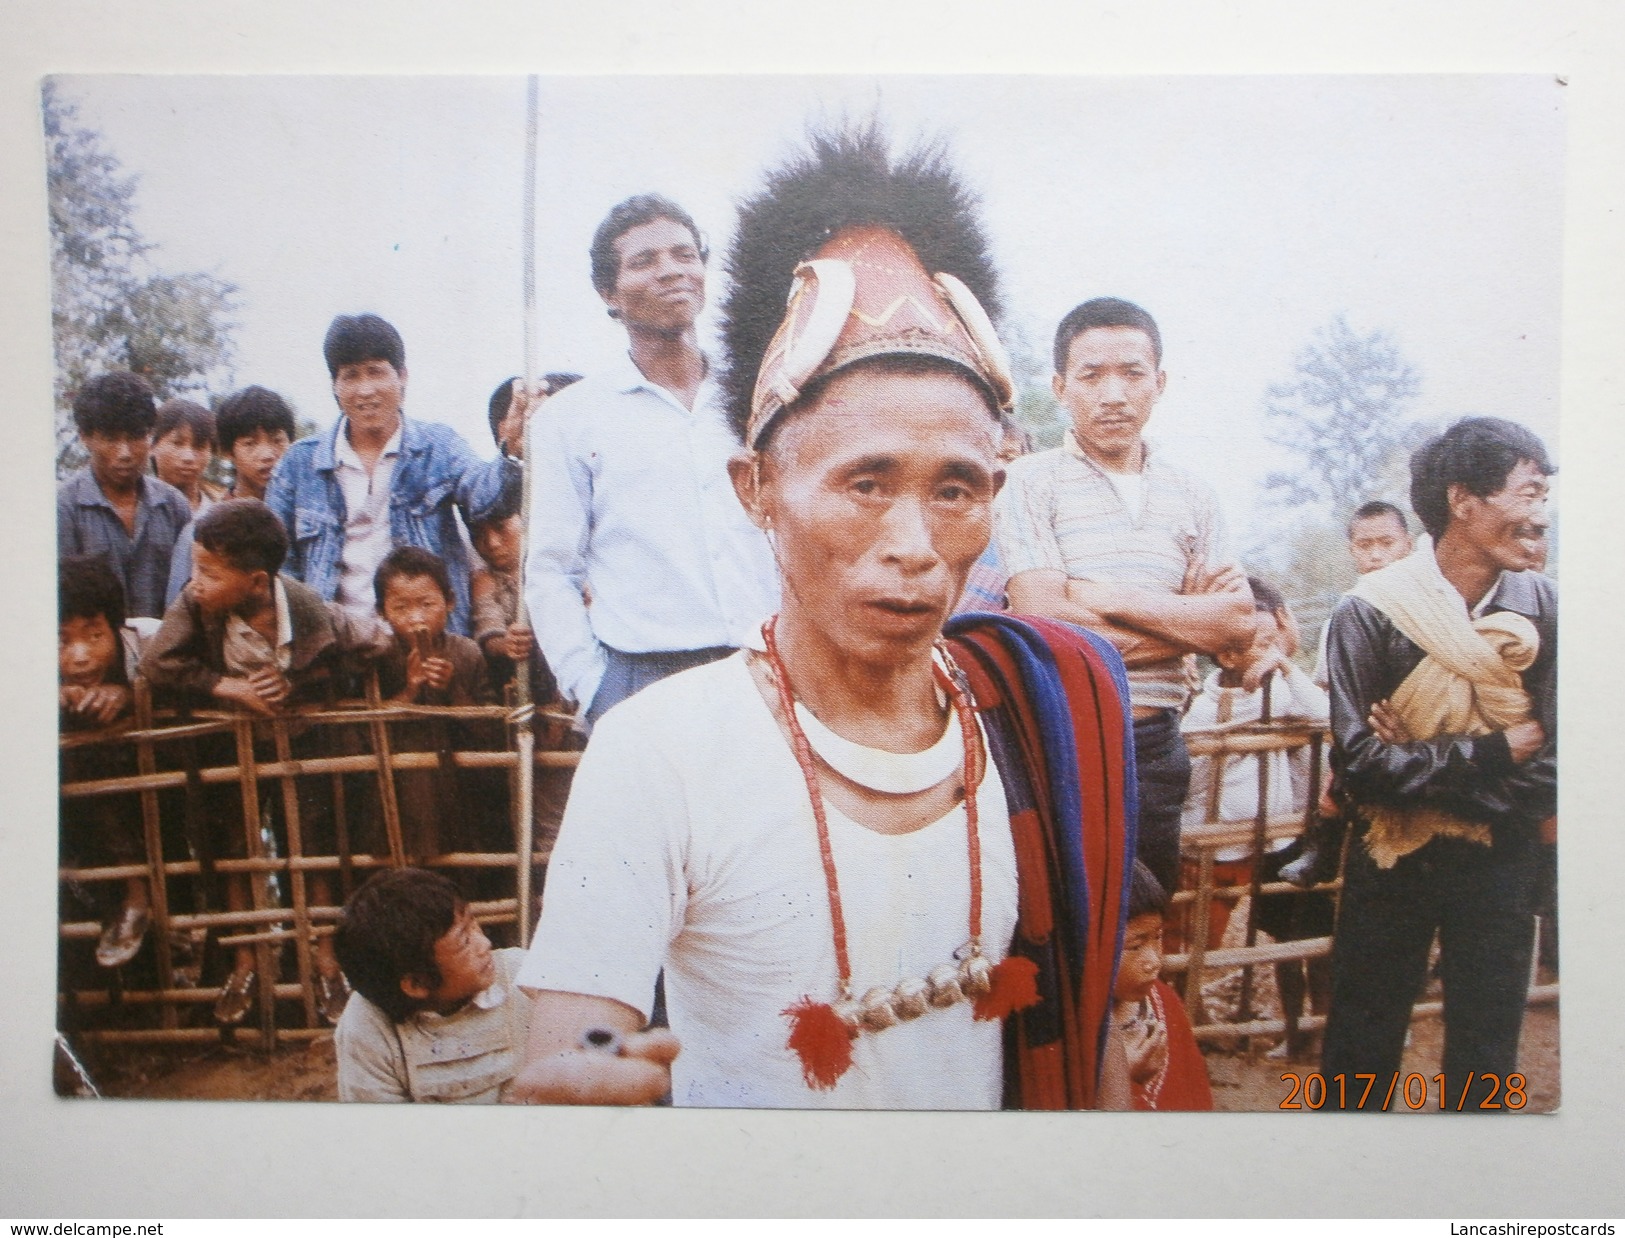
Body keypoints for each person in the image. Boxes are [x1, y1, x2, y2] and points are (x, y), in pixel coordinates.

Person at [508, 125, 1135, 1111]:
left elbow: (1087, 1013)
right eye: (865, 482)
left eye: (956, 489)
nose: (913, 543)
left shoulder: (1028, 714)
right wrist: (590, 1068)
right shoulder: (658, 751)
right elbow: (584, 1032)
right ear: (755, 487)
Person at [1319, 417, 1555, 1110]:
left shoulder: (1542, 604)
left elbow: (1564, 753)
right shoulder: (1368, 612)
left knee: (1486, 1053)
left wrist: (1424, 766)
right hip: (1391, 858)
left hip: (1499, 860)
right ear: (1463, 502)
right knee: (1359, 1055)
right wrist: (1491, 751)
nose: (1539, 513)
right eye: (1528, 492)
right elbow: (1359, 764)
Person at [994, 297, 1256, 894]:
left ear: (1159, 383)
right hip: (1062, 733)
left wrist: (1099, 594)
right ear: (1060, 386)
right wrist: (1188, 627)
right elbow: (1042, 619)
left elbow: (1236, 627)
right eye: (1091, 375)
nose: (1113, 394)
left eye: (1132, 374)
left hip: (1158, 741)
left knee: (1145, 921)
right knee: (1067, 919)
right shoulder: (1028, 482)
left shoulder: (1194, 494)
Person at [523, 194, 779, 732]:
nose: (671, 272)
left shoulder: (762, 397)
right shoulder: (570, 419)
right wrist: (593, 689)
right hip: (644, 681)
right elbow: (551, 571)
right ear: (609, 294)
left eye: (684, 255)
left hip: (771, 666)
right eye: (644, 261)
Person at [141, 499, 390, 1024]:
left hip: (303, 748)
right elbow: (157, 662)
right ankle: (245, 961)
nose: (195, 583)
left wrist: (299, 682)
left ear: (256, 582)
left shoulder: (310, 609)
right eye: (195, 569)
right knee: (236, 849)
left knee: (312, 845)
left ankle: (325, 961)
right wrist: (226, 686)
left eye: (208, 572)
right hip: (228, 753)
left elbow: (375, 643)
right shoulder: (194, 606)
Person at [264, 313, 522, 637]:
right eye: (351, 376)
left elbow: (487, 501)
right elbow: (278, 564)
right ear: (334, 385)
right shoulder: (298, 464)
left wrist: (511, 450)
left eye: (376, 372)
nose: (365, 390)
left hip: (432, 646)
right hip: (337, 649)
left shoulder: (439, 446)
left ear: (402, 376)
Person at [1179, 577, 1334, 1052]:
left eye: (1275, 642)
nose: (1271, 655)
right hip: (1217, 847)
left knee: (1298, 934)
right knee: (1195, 941)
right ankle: (1190, 1029)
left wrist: (1283, 660)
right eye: (1260, 645)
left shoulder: (1280, 691)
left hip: (1277, 841)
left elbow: (1325, 717)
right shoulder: (1205, 711)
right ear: (1226, 657)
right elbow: (1196, 779)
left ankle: (1312, 1032)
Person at [333, 868, 533, 1103]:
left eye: (473, 924)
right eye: (464, 941)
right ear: (417, 984)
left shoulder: (523, 975)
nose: (486, 943)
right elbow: (380, 1130)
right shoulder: (366, 1027)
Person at [371, 546, 496, 865]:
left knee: (466, 864)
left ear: (450, 602)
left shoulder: (467, 654)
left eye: (427, 604)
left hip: (461, 786)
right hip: (399, 790)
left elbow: (490, 729)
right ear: (382, 611)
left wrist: (452, 688)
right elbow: (365, 729)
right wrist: (410, 692)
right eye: (401, 607)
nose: (416, 618)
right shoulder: (377, 660)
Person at [58, 555, 149, 969]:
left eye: (94, 636)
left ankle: (137, 895)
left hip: (152, 808)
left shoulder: (148, 642)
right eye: (61, 641)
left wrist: (131, 695)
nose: (79, 656)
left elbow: (177, 679)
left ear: (116, 628)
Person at [58, 371, 193, 620]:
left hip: (165, 652)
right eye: (110, 439)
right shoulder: (63, 508)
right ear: (85, 437)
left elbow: (190, 594)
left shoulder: (174, 506)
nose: (125, 452)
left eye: (135, 437)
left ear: (149, 435)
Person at [164, 384, 298, 606]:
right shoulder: (201, 530)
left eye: (277, 440)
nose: (267, 454)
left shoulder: (303, 522)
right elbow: (180, 607)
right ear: (227, 452)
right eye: (250, 443)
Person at [1114, 862, 1213, 1111]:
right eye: (1135, 946)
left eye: (1157, 937)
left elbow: (1197, 1093)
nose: (1154, 961)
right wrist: (1121, 1078)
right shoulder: (1071, 1028)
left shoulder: (1162, 1000)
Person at [952, 411, 1032, 615]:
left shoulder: (1026, 530)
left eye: (1009, 457)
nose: (998, 466)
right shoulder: (948, 519)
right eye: (990, 455)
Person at [150, 397, 225, 514]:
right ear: (152, 445)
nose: (188, 457)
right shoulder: (134, 508)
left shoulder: (222, 511)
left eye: (199, 447)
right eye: (177, 443)